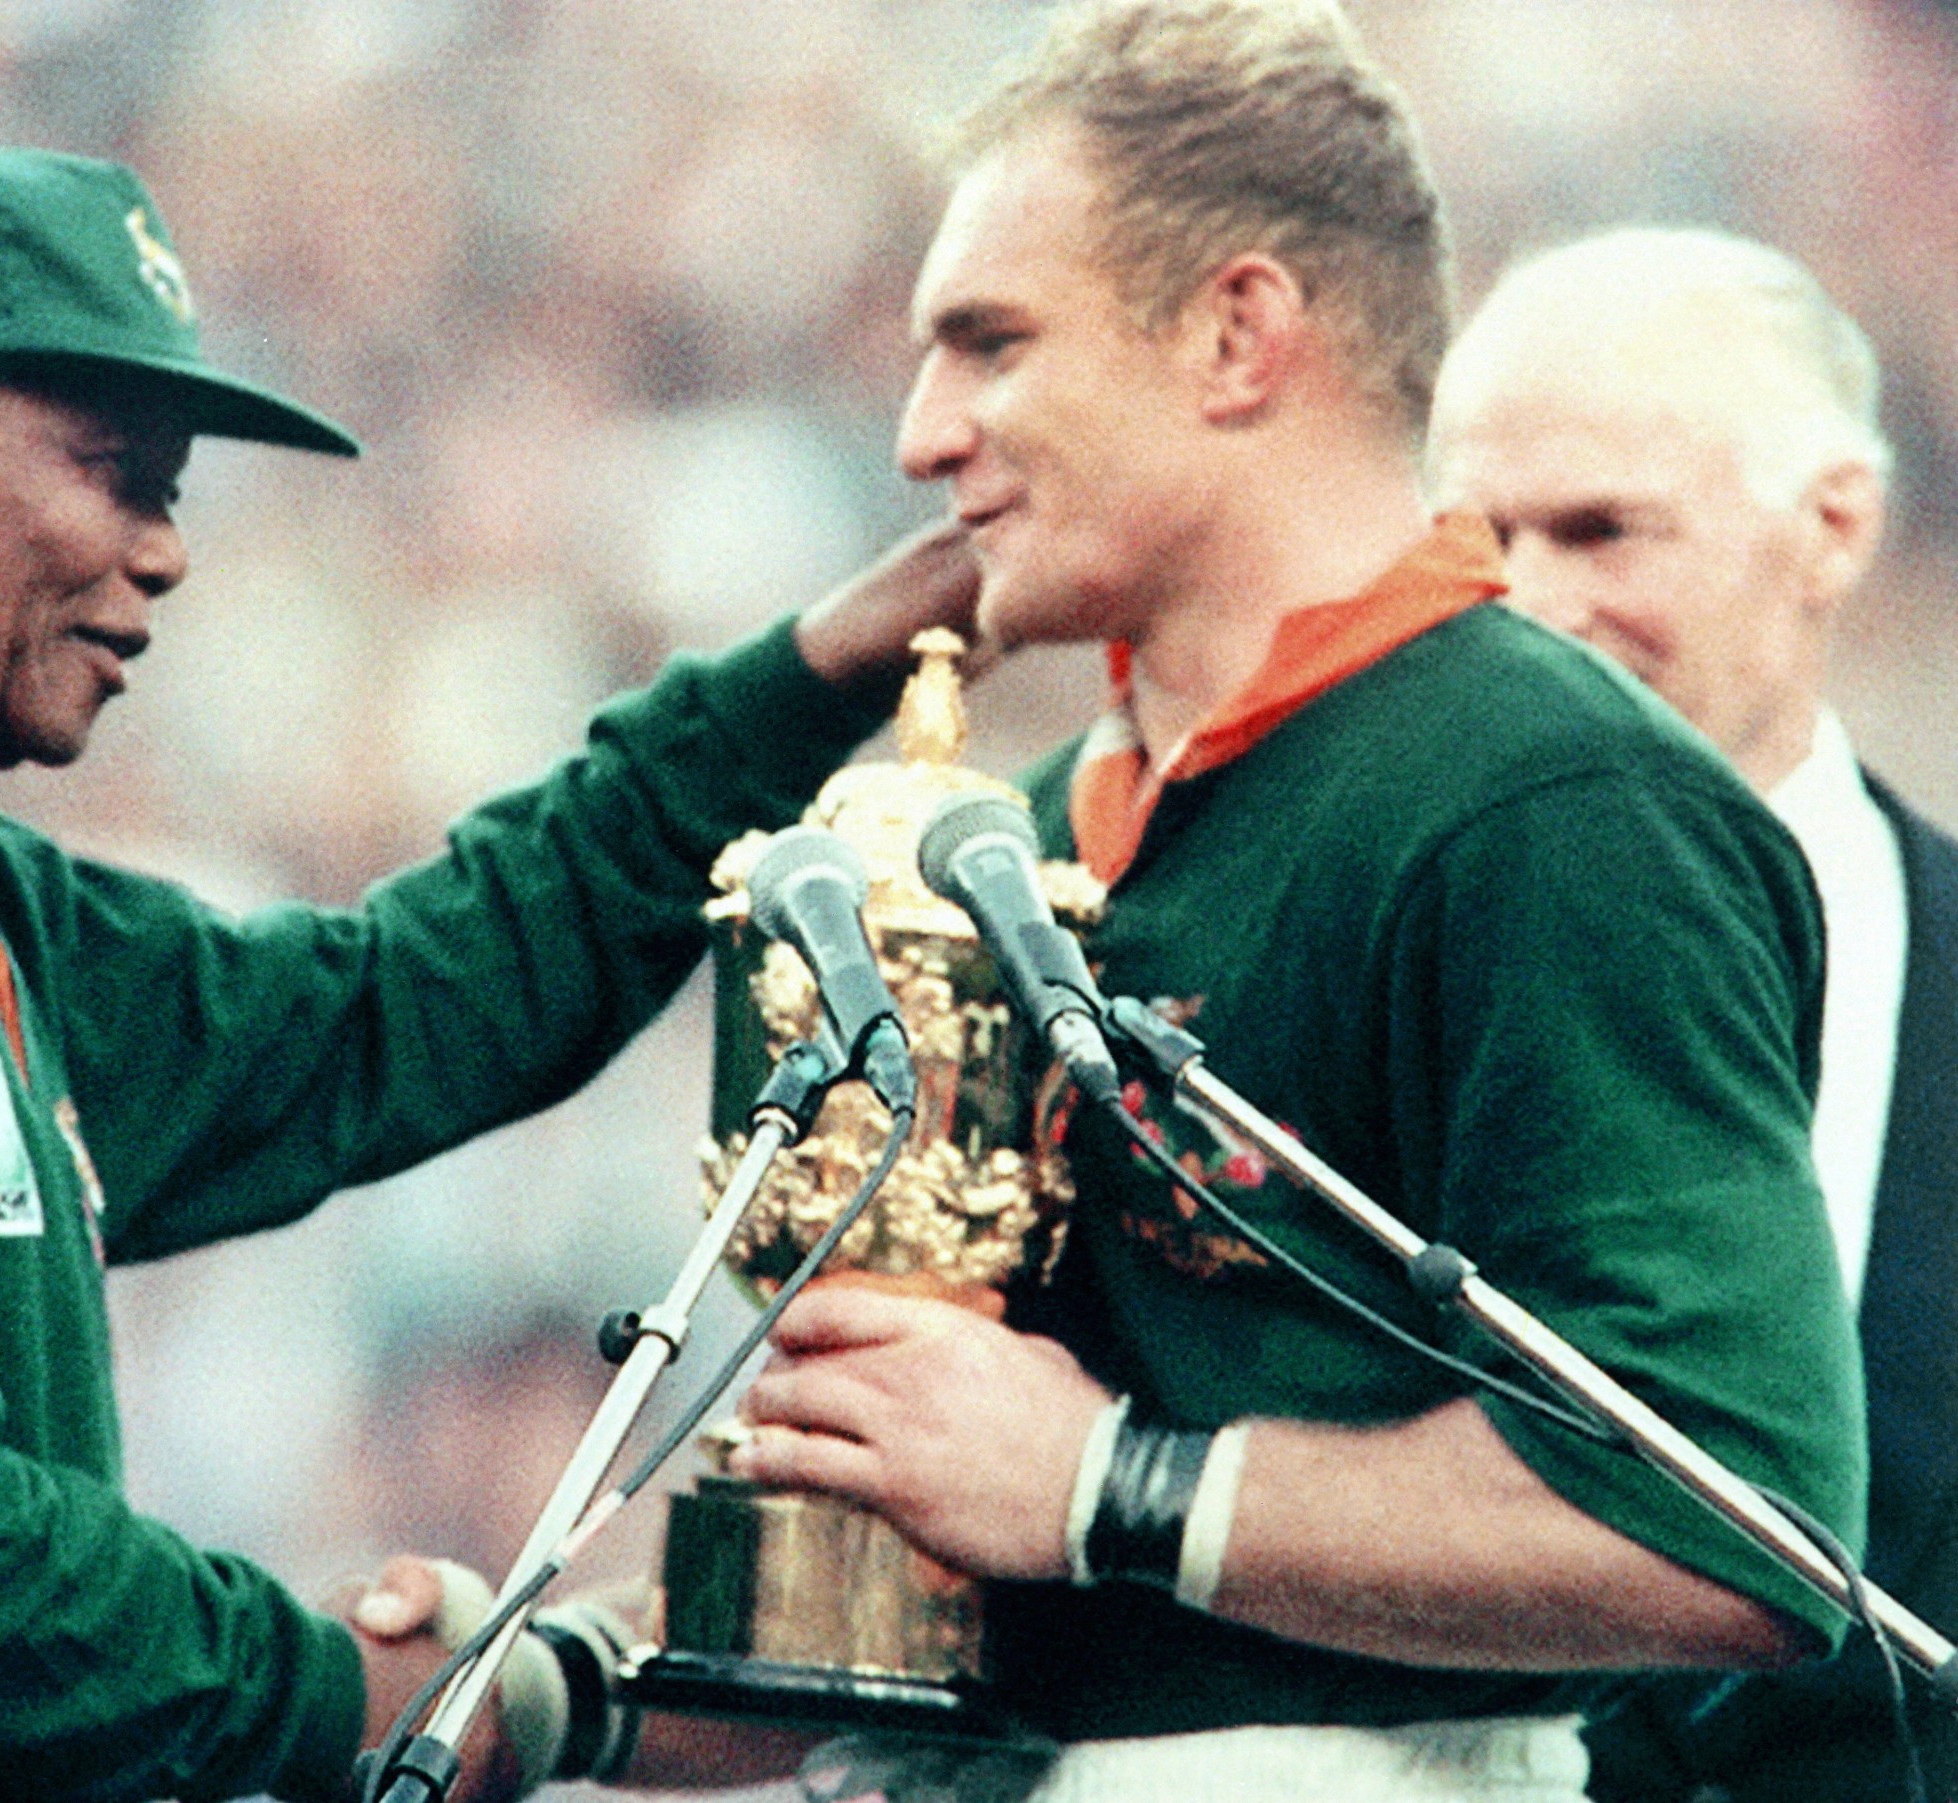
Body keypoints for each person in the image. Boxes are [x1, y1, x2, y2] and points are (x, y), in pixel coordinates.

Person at [0, 144, 977, 1803]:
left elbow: (382, 1015)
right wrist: (322, 1684)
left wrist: (820, 675)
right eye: (114, 473)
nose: (163, 552)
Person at [715, 5, 1867, 1801]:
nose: (925, 433)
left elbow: (1738, 1524)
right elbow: (992, 1562)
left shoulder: (1555, 800)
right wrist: (535, 1688)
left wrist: (1111, 1487)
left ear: (1238, 335)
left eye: (993, 343)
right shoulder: (1014, 835)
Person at [1428, 225, 1958, 1803]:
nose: (1525, 604)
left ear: (1833, 528)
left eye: (1602, 532)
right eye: (1478, 538)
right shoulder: (1325, 962)